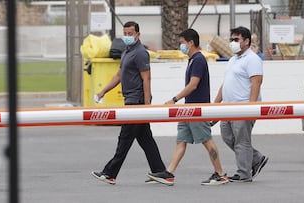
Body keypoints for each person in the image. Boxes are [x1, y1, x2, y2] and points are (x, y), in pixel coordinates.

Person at [147, 28, 228, 186]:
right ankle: (169, 173)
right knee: (181, 140)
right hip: (187, 109)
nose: (181, 46)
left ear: (191, 43)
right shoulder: (192, 59)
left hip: (197, 109)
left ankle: (220, 174)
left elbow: (193, 85)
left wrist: (174, 99)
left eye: (182, 43)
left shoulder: (198, 60)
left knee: (206, 140)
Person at [91, 21, 166, 185]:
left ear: (138, 34)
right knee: (145, 139)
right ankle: (161, 172)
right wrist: (103, 91)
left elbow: (147, 78)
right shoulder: (127, 51)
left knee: (125, 138)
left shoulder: (140, 53)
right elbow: (118, 76)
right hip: (131, 100)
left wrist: (147, 106)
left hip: (137, 102)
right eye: (125, 33)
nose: (127, 36)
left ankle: (109, 173)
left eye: (130, 34)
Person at [214, 26, 268, 182]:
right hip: (228, 108)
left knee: (242, 141)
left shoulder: (253, 59)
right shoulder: (232, 60)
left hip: (243, 107)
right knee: (227, 137)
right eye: (231, 39)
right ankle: (256, 158)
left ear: (246, 41)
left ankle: (244, 173)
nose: (233, 42)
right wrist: (216, 104)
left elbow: (256, 83)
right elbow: (226, 84)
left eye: (236, 39)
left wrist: (250, 107)